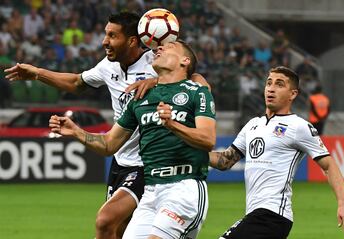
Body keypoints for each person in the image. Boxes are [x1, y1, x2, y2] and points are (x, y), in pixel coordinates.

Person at [4, 12, 209, 239]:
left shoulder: (157, 61)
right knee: (118, 230)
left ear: (132, 41)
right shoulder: (107, 67)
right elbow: (76, 82)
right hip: (120, 158)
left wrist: (155, 80)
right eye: (105, 34)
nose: (104, 41)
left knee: (105, 220)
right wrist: (37, 74)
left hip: (146, 162)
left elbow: (196, 80)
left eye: (112, 35)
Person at [49, 40, 216, 239]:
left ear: (185, 61)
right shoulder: (139, 99)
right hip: (151, 192)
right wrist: (77, 132)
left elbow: (207, 139)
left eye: (169, 47)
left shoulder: (198, 92)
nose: (159, 48)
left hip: (184, 187)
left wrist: (172, 124)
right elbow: (109, 144)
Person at [209, 66, 344, 239]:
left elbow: (329, 165)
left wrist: (343, 204)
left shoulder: (299, 126)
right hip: (257, 214)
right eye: (269, 83)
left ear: (292, 94)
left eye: (279, 84)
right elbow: (225, 161)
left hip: (273, 214)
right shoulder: (253, 124)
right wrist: (191, 151)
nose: (271, 88)